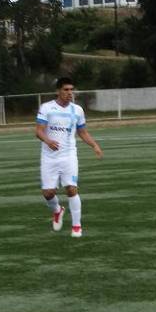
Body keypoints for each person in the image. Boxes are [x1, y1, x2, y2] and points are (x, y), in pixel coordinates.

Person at [35, 77, 103, 238]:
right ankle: (57, 210)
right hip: (49, 157)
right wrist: (48, 140)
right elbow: (38, 131)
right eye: (66, 90)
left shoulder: (77, 110)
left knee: (71, 189)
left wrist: (94, 145)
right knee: (48, 193)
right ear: (58, 91)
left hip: (69, 156)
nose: (69, 93)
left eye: (72, 89)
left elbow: (82, 132)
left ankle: (77, 226)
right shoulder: (47, 108)